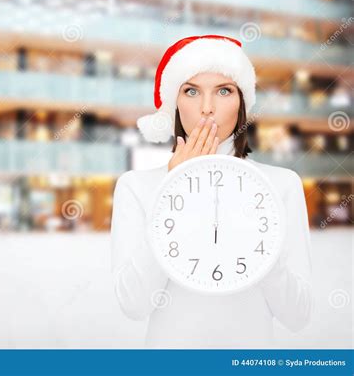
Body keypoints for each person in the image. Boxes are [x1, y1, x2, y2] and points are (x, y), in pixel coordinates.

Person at [110, 35, 313, 348]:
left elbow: (297, 315)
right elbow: (134, 304)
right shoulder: (137, 187)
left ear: (242, 102)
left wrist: (260, 237)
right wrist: (172, 195)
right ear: (174, 103)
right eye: (191, 91)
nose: (207, 108)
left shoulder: (281, 185)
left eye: (223, 90)